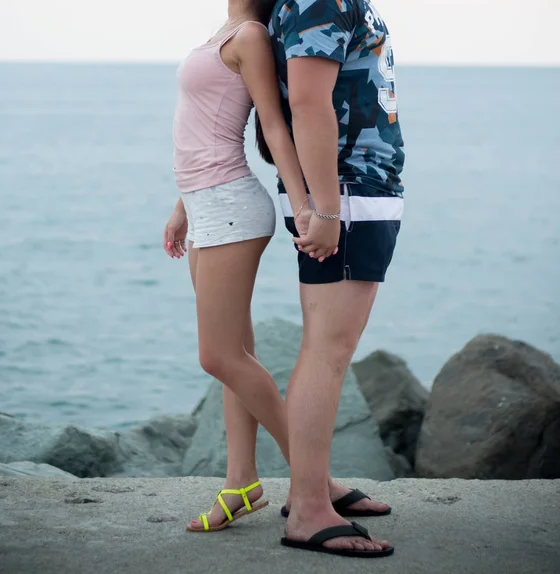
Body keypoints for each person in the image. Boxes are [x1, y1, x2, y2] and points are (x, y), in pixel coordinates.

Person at [164, 0, 394, 558]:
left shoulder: (251, 35)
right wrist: (181, 206)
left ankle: (316, 482)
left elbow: (274, 122)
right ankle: (240, 481)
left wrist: (309, 206)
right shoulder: (228, 29)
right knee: (235, 353)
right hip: (204, 203)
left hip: (231, 204)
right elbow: (203, 127)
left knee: (218, 355)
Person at [257, 0, 405, 558]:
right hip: (346, 192)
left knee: (323, 346)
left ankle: (312, 490)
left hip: (351, 190)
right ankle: (309, 510)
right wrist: (323, 208)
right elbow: (307, 101)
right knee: (329, 350)